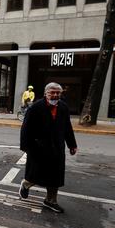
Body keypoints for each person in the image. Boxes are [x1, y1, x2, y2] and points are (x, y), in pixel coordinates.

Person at [19, 82, 78, 213]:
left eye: (58, 93)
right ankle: (26, 184)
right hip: (38, 148)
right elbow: (26, 129)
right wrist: (26, 147)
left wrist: (72, 144)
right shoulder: (35, 108)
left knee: (55, 176)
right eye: (52, 92)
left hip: (57, 147)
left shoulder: (63, 107)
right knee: (36, 174)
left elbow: (67, 127)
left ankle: (51, 201)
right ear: (46, 93)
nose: (55, 95)